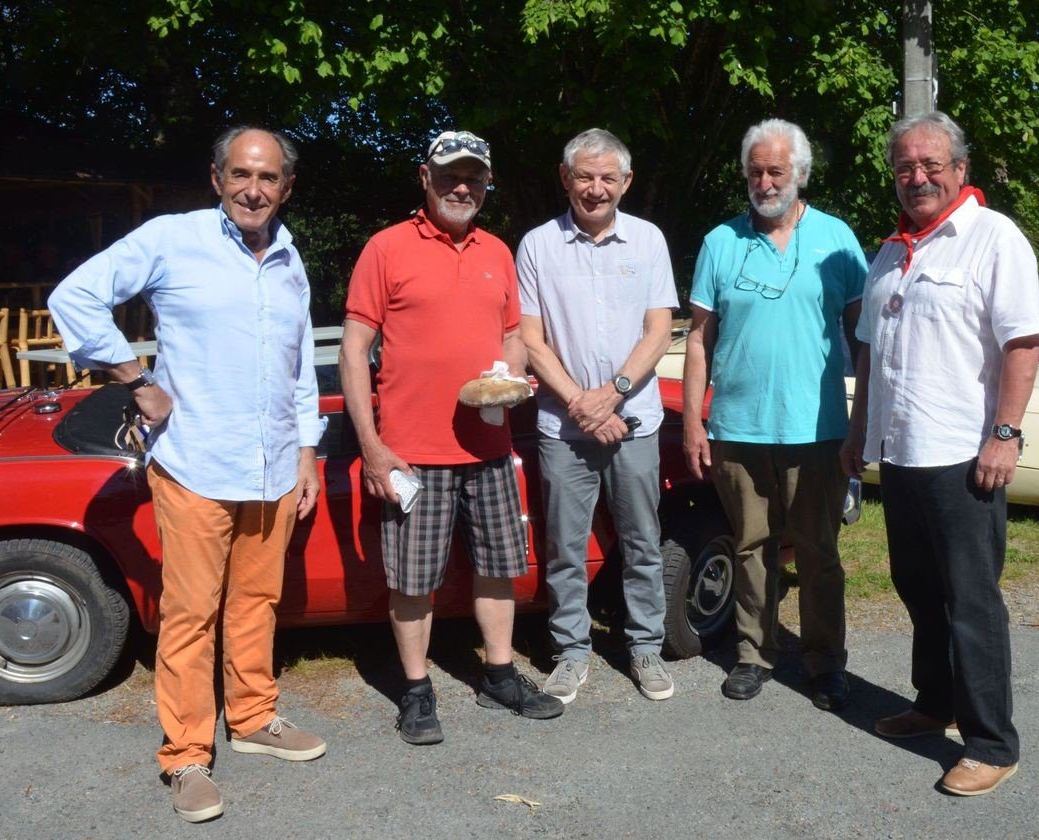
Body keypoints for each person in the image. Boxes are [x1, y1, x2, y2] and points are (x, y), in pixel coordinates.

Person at [49, 126, 327, 823]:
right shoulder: (173, 239)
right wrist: (132, 378)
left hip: (271, 468)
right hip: (197, 463)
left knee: (257, 601)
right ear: (217, 177)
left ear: (286, 188)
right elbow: (74, 297)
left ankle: (256, 717)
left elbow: (298, 370)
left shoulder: (291, 261)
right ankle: (186, 757)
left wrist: (306, 453)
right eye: (241, 174)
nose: (253, 189)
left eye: (267, 178)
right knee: (191, 615)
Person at [339, 129, 564, 747]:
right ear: (425, 177)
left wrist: (513, 372)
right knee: (413, 579)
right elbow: (355, 350)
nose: (462, 186)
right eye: (449, 175)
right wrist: (373, 445)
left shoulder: (498, 250)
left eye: (474, 176)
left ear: (488, 183)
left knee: (500, 568)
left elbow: (513, 333)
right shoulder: (386, 248)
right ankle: (416, 691)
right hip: (411, 453)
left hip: (489, 447)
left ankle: (498, 674)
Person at [845, 111, 1039, 796]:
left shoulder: (993, 239)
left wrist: (1005, 435)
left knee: (971, 603)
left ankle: (991, 742)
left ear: (961, 169)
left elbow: (1023, 344)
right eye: (905, 168)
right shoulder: (890, 253)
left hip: (965, 457)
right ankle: (935, 704)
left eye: (931, 165)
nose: (917, 177)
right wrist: (857, 435)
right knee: (919, 591)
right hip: (902, 456)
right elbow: (870, 353)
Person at [682, 118, 867, 709]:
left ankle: (824, 661)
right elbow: (697, 340)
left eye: (776, 171)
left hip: (817, 429)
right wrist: (692, 421)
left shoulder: (837, 239)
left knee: (818, 550)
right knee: (749, 547)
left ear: (800, 175)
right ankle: (753, 653)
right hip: (737, 426)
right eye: (756, 171)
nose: (765, 181)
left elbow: (864, 338)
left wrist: (862, 423)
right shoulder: (721, 241)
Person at [516, 129, 679, 704]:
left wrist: (613, 393)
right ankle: (571, 651)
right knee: (564, 543)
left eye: (608, 177)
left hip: (634, 418)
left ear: (625, 182)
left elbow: (660, 329)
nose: (596, 187)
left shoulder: (649, 240)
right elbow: (531, 340)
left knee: (642, 540)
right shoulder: (536, 245)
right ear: (565, 179)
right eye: (584, 176)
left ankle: (645, 647)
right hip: (565, 425)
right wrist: (583, 406)